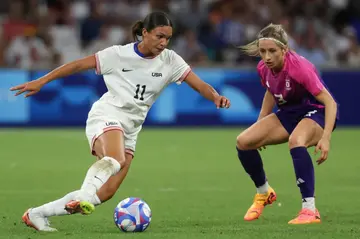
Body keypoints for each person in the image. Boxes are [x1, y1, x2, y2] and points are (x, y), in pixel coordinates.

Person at [11, 12, 230, 232]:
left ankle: (36, 214)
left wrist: (215, 97)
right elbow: (77, 65)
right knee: (115, 159)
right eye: (159, 36)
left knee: (105, 193)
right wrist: (42, 81)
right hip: (107, 115)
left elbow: (200, 84)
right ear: (145, 33)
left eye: (168, 38)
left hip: (131, 129)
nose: (163, 42)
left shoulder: (171, 60)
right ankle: (84, 195)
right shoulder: (117, 55)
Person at [236, 23, 338, 225]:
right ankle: (264, 193)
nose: (267, 57)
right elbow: (270, 91)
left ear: (284, 49)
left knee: (296, 141)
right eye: (262, 51)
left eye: (272, 51)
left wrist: (326, 137)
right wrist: (261, 122)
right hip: (290, 113)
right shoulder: (263, 68)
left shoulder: (300, 68)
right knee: (244, 141)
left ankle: (309, 210)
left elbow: (330, 102)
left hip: (317, 111)